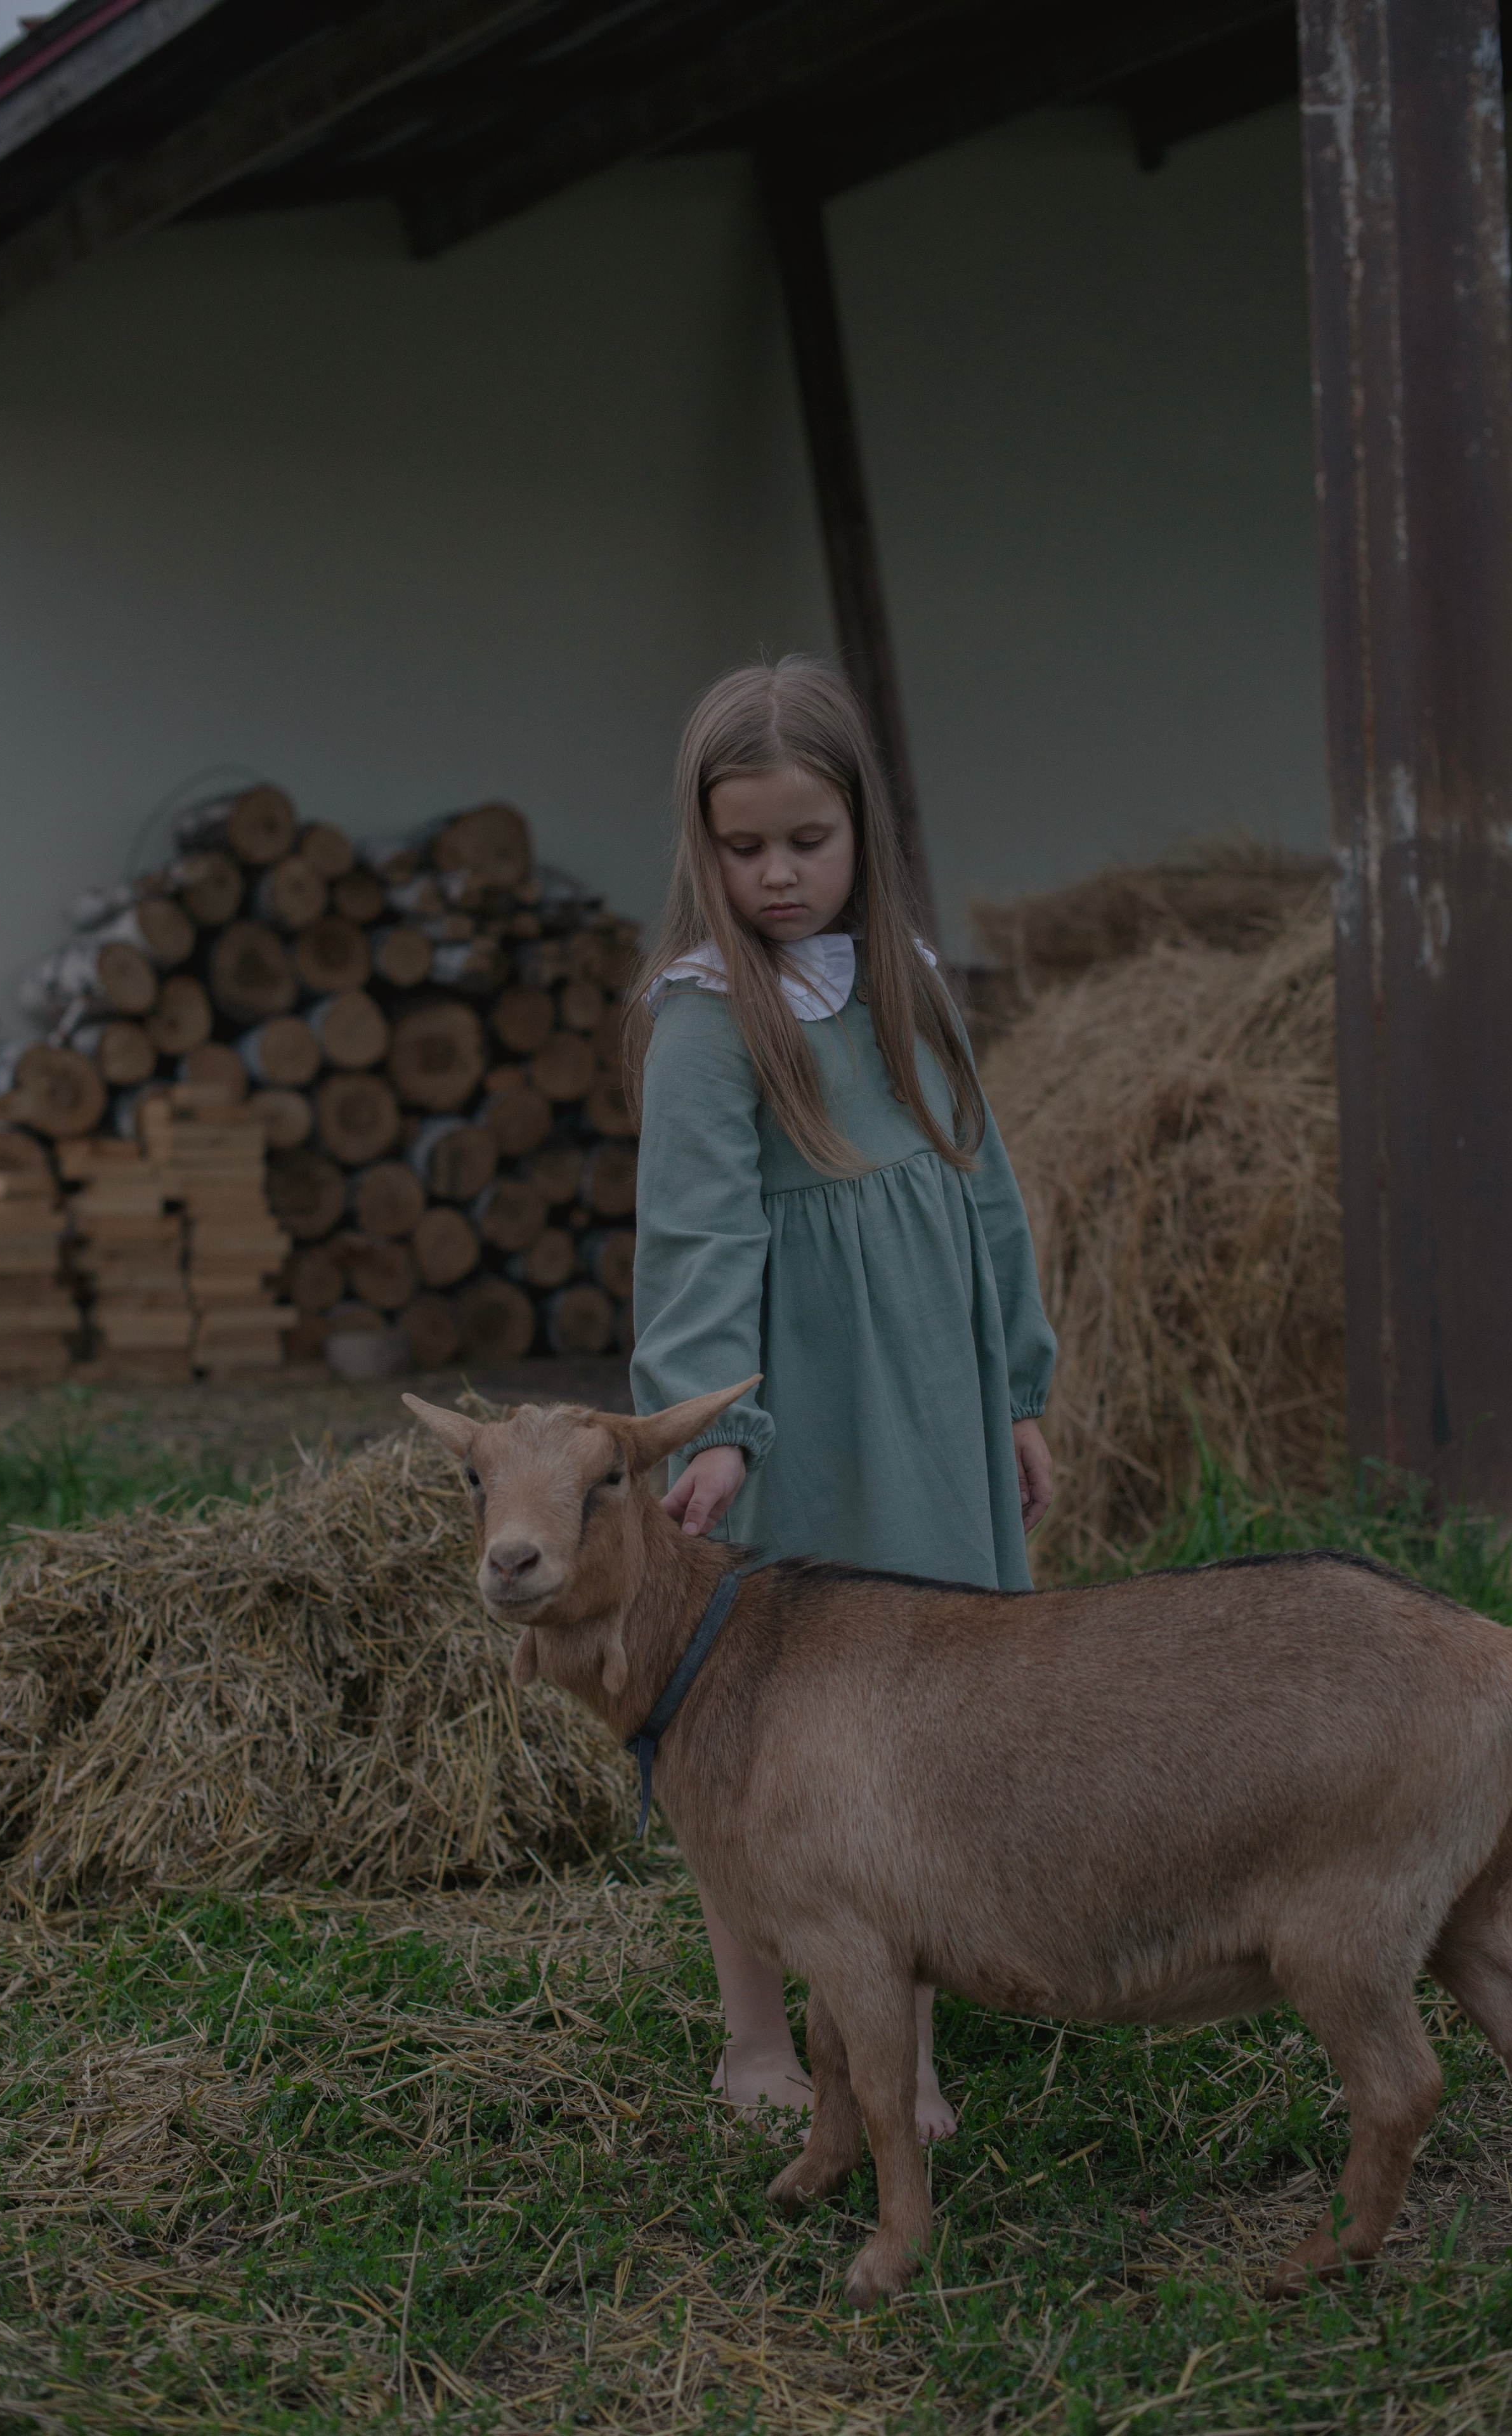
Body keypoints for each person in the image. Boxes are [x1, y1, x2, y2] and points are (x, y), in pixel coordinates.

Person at [625, 655, 1057, 2139]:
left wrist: (1012, 1392)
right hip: (799, 1411)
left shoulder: (905, 984)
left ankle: (899, 2034)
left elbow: (978, 1190)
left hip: (930, 1396)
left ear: (860, 824)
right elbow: (695, 1238)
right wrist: (714, 1429)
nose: (775, 876)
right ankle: (762, 2042)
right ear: (704, 847)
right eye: (740, 849)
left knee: (917, 1719)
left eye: (804, 842)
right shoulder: (704, 1020)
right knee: (775, 1735)